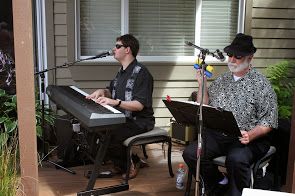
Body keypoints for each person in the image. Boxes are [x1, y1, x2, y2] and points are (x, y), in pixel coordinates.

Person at [182, 33, 278, 196]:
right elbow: (204, 106)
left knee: (236, 159)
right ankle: (218, 184)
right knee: (191, 153)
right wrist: (202, 85)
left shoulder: (261, 84)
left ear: (250, 58)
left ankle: (237, 193)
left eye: (238, 56)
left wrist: (252, 134)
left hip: (247, 137)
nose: (232, 59)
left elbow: (269, 120)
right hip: (220, 135)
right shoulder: (222, 80)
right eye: (230, 55)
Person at [86, 34, 155, 179]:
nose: (114, 49)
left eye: (117, 46)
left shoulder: (142, 73)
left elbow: (139, 106)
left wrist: (116, 102)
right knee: (96, 130)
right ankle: (121, 163)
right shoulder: (121, 72)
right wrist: (102, 92)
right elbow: (112, 92)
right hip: (123, 118)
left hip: (140, 121)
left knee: (111, 135)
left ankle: (133, 162)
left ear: (127, 50)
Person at [0, 21, 15, 95]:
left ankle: (9, 85)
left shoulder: (6, 33)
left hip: (6, 52)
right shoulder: (5, 33)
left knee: (8, 67)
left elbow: (11, 42)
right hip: (5, 52)